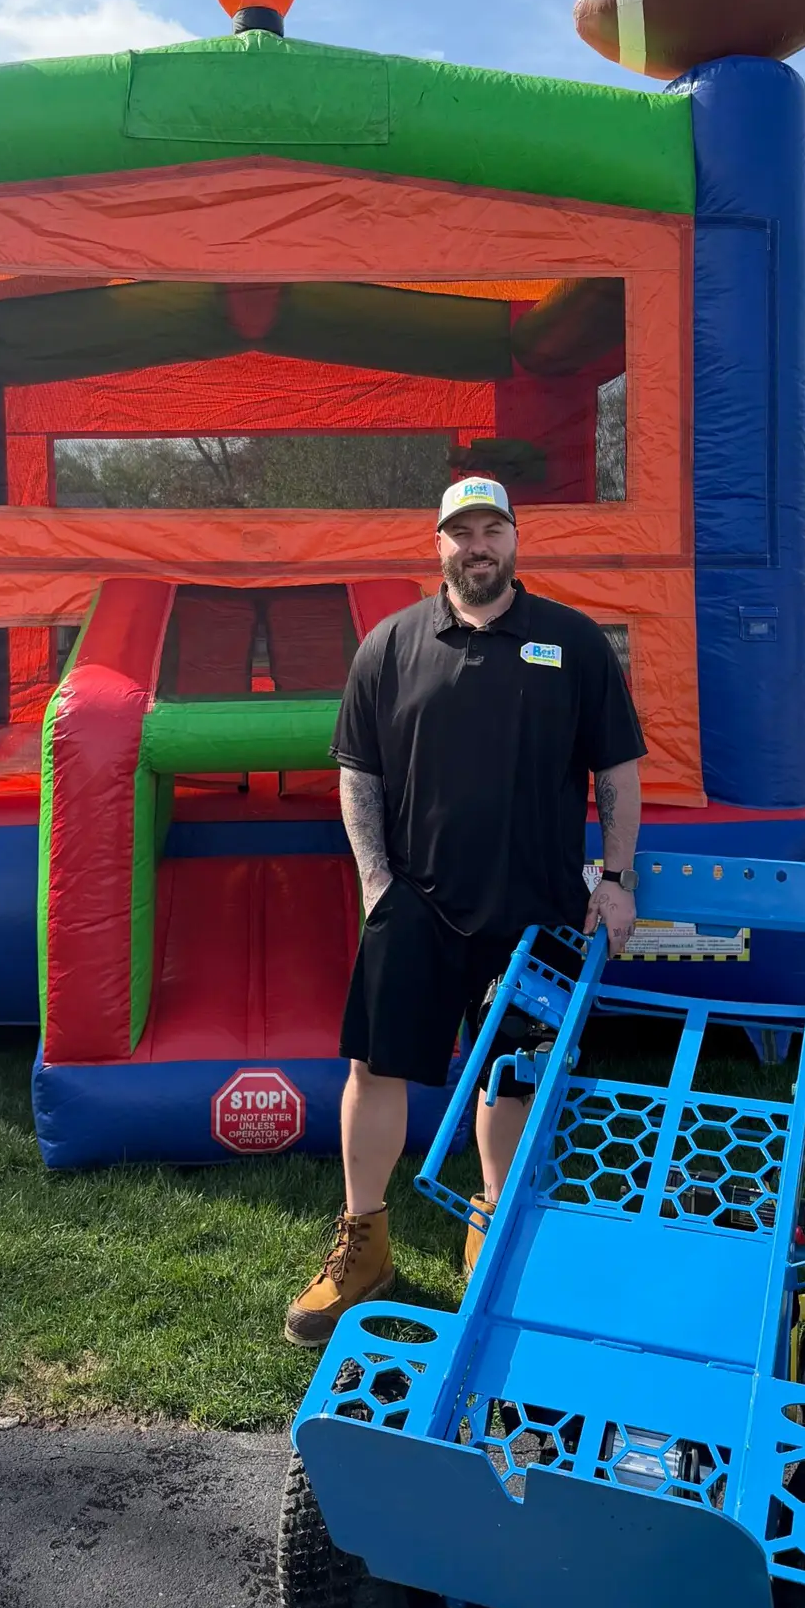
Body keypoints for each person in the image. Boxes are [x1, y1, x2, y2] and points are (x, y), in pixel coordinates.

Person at [284, 476, 645, 1347]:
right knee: (374, 1070)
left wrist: (619, 878)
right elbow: (357, 775)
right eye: (460, 532)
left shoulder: (574, 642)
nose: (476, 545)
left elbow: (618, 774)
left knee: (511, 1073)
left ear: (514, 540)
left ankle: (491, 1235)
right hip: (413, 906)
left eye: (492, 529)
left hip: (537, 913)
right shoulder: (390, 644)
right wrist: (376, 882)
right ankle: (362, 1248)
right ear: (436, 544)